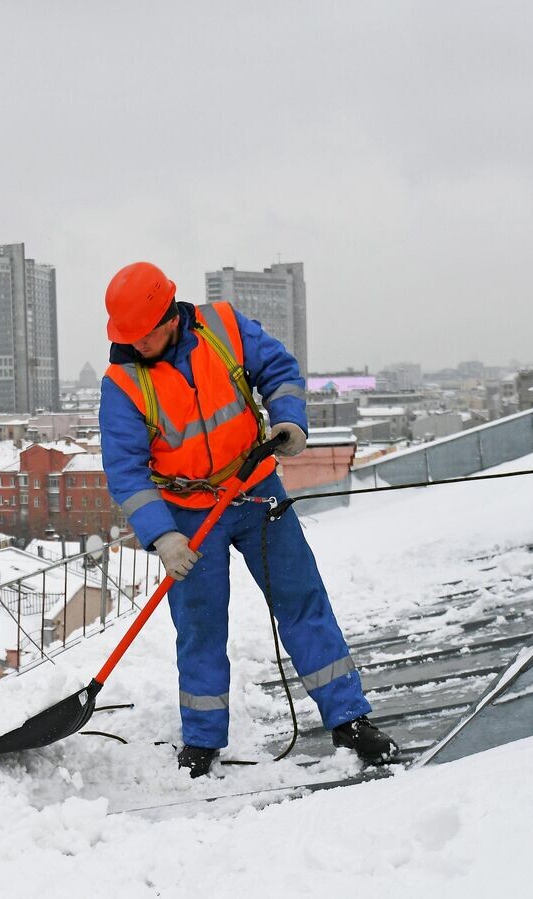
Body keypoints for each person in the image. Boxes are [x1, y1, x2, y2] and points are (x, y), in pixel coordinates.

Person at [98, 261, 397, 777]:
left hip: (256, 491)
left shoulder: (224, 327)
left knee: (302, 602)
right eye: (127, 337)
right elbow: (125, 471)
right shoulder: (122, 383)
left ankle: (350, 720)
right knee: (200, 629)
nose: (134, 346)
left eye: (141, 336)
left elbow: (279, 371)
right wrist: (164, 536)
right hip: (189, 516)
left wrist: (288, 421)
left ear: (170, 317)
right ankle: (202, 741)